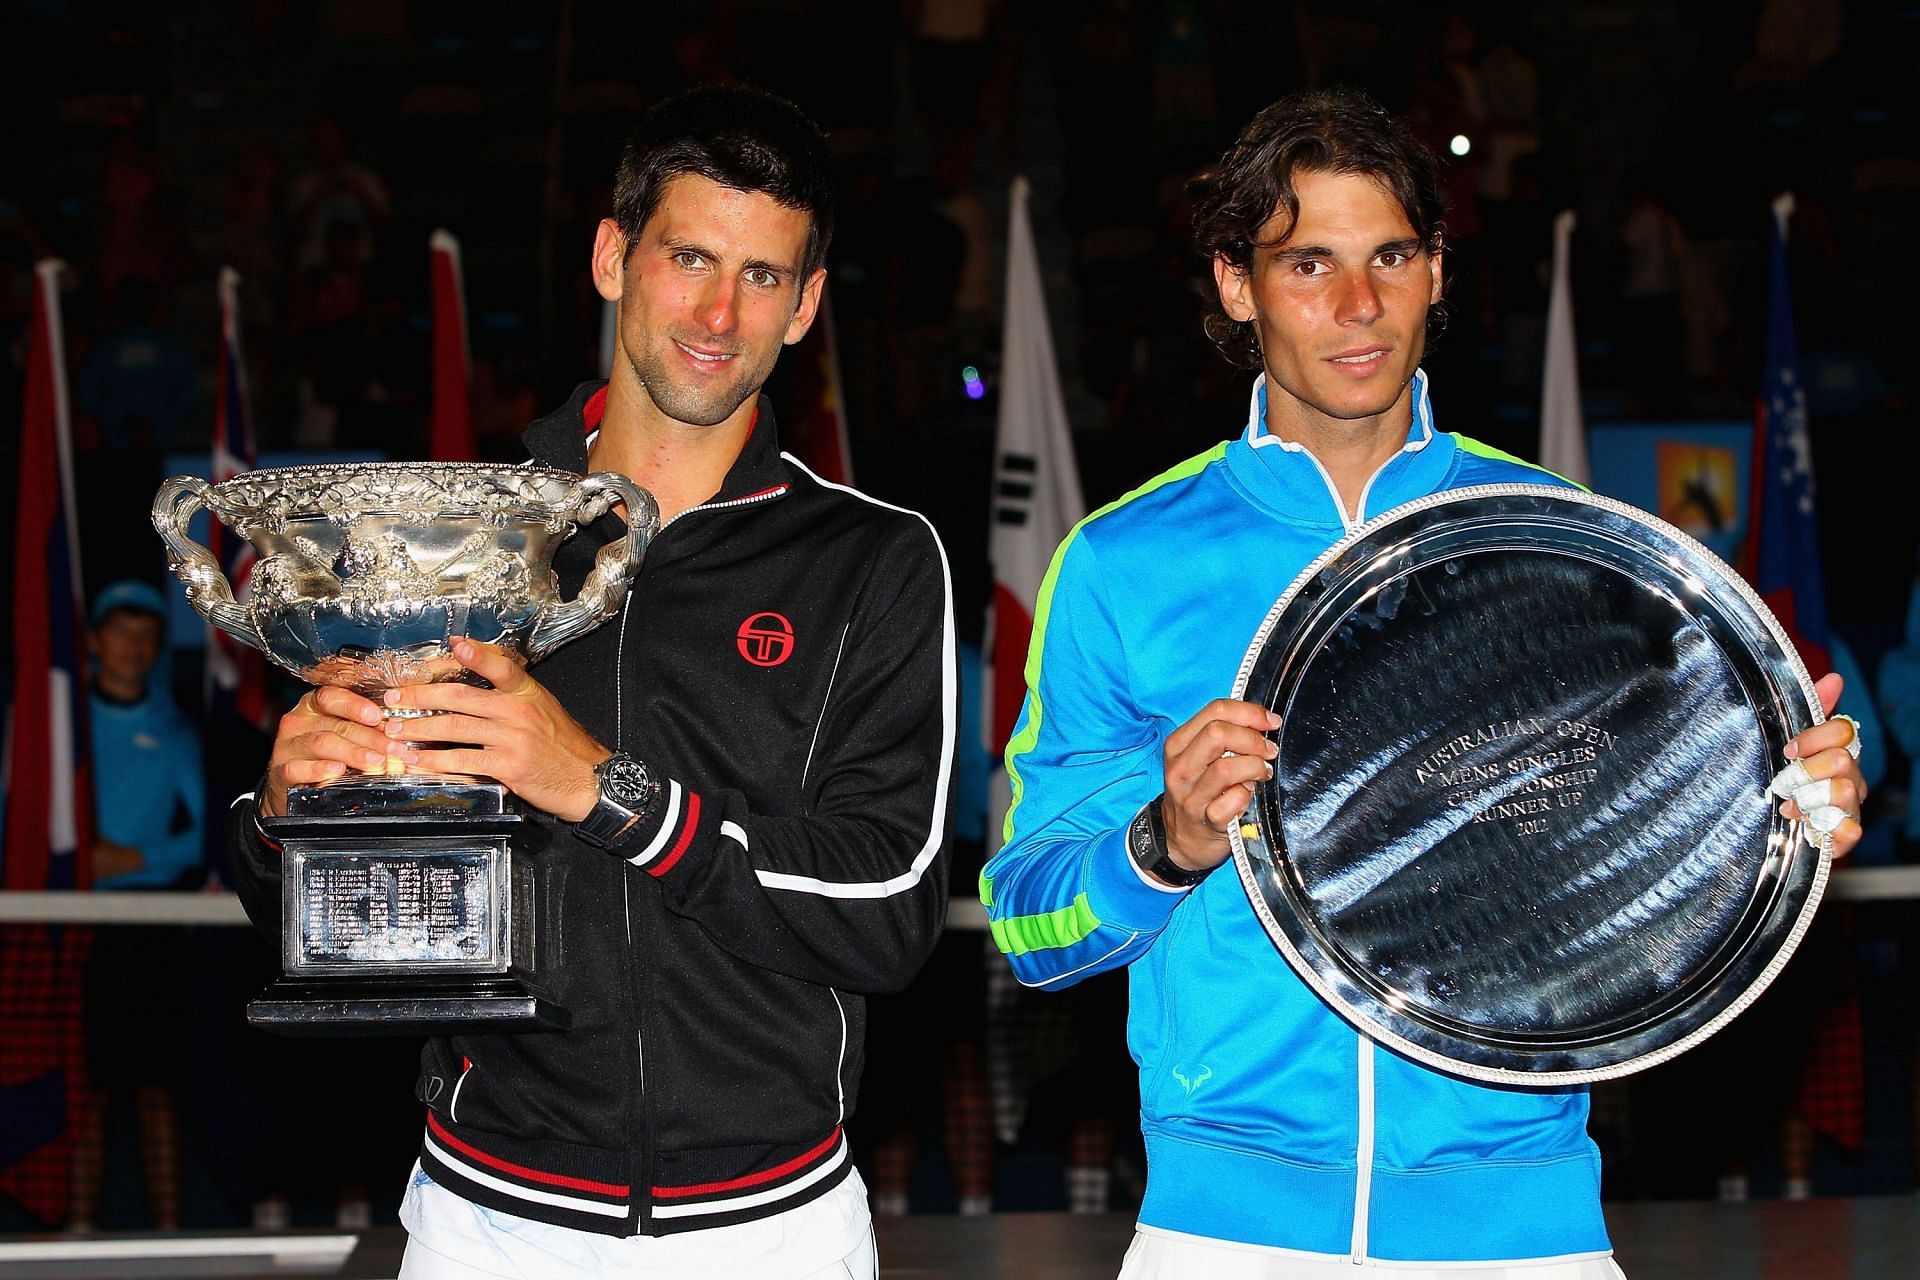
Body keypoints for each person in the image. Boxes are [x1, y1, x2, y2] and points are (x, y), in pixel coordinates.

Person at [980, 86, 1869, 1278]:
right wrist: (1161, 843)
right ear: (1236, 285)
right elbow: (1027, 923)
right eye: (1308, 265)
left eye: (1391, 255)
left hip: (1522, 1230)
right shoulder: (1123, 562)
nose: (1358, 306)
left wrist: (1780, 811)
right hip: (1227, 1231)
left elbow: (1652, 862)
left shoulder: (1558, 538)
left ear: (1438, 270)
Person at [227, 85, 956, 1279]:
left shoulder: (871, 557)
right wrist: (286, 819)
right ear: (615, 257)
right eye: (689, 257)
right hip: (487, 1219)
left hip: (768, 1228)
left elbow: (887, 912)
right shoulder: (457, 540)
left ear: (808, 304)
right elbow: (331, 904)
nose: (720, 312)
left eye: (764, 276)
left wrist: (605, 790)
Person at [71, 579, 205, 1233]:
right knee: (82, 1087)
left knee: (157, 1086)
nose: (134, 646)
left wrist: (135, 858)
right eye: (121, 631)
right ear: (95, 643)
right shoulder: (60, 731)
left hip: (151, 923)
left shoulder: (173, 729)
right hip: (68, 925)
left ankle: (169, 1228)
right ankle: (74, 1223)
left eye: (147, 634)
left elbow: (200, 837)